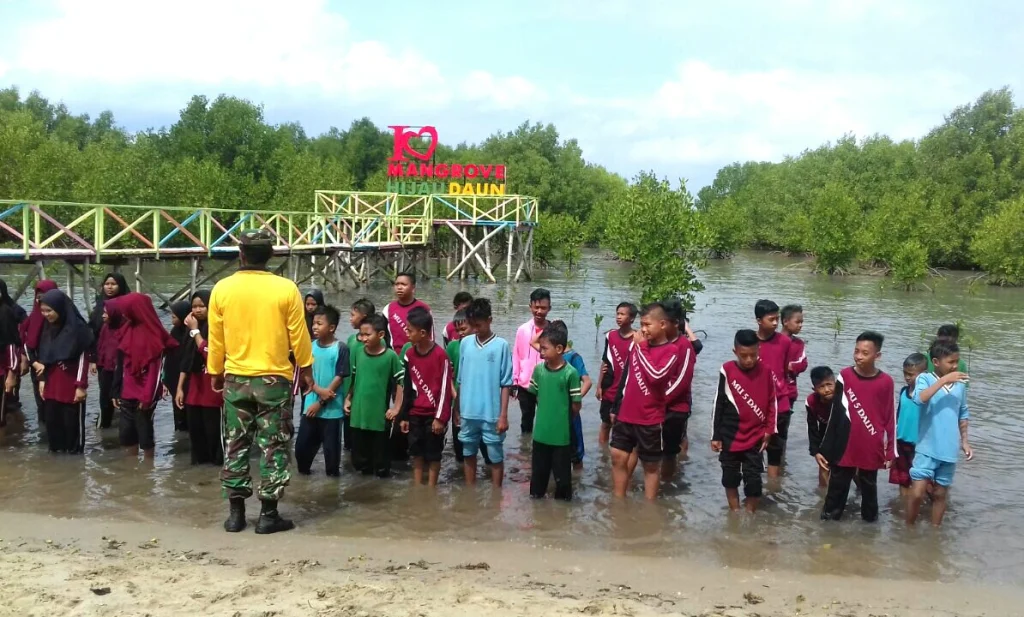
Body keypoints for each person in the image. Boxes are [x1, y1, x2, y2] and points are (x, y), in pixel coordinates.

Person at [207, 228, 314, 534]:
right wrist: (306, 371)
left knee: (236, 444)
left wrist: (215, 371)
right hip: (274, 381)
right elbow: (299, 336)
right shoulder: (286, 288)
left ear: (240, 254)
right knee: (273, 445)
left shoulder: (222, 289)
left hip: (236, 379)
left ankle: (236, 515)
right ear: (270, 256)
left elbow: (217, 339)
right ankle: (268, 515)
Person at [817, 331, 896, 522]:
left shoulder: (886, 382)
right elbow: (835, 415)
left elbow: (890, 417)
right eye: (856, 351)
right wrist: (824, 449)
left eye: (865, 353)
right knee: (837, 490)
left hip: (871, 444)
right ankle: (827, 533)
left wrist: (891, 451)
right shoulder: (844, 376)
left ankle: (869, 534)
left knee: (869, 489)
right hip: (845, 444)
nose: (859, 356)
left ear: (877, 356)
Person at [610, 303, 682, 500]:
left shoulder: (671, 351)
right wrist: (616, 405)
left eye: (647, 325)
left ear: (663, 324)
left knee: (650, 466)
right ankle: (618, 502)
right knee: (617, 457)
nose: (643, 329)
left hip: (650, 418)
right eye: (641, 324)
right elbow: (627, 376)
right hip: (626, 413)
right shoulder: (638, 346)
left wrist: (641, 348)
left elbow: (656, 376)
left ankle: (650, 508)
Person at [907, 340, 972, 526]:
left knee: (940, 494)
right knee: (918, 492)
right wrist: (944, 380)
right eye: (951, 362)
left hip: (949, 449)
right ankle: (909, 528)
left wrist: (965, 441)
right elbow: (919, 399)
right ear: (936, 362)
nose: (955, 366)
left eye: (957, 362)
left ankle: (935, 532)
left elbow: (963, 412)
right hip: (927, 446)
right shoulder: (925, 379)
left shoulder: (960, 386)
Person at [711, 329, 777, 513]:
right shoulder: (727, 369)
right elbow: (719, 403)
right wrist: (715, 435)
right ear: (735, 352)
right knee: (730, 477)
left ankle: (750, 514)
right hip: (730, 435)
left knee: (754, 479)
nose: (749, 360)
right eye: (743, 356)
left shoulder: (766, 371)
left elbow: (773, 402)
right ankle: (734, 512)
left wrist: (769, 430)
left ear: (759, 350)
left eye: (753, 355)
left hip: (755, 436)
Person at [107, 292, 178, 459]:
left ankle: (148, 467)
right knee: (126, 432)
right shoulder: (127, 329)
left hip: (146, 392)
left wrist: (147, 398)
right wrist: (116, 390)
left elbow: (156, 370)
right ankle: (132, 469)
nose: (123, 313)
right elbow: (122, 366)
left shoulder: (154, 335)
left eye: (126, 310)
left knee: (144, 431)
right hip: (127, 391)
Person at [458, 298, 513, 487]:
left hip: (491, 413)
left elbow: (506, 383)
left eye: (478, 325)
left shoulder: (501, 346)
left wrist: (503, 415)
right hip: (467, 411)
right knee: (468, 453)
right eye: (472, 325)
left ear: (489, 320)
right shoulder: (464, 343)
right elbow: (460, 380)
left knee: (495, 455)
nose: (475, 329)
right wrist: (457, 409)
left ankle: (497, 494)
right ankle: (470, 490)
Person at [399, 307, 453, 487]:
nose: (406, 333)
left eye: (409, 330)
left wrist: (440, 419)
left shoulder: (441, 356)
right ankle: (417, 487)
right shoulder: (409, 355)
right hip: (415, 413)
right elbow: (407, 387)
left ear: (422, 333)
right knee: (416, 453)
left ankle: (431, 488)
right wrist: (404, 416)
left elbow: (445, 391)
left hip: (433, 415)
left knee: (433, 454)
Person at [345, 314, 404, 478]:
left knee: (381, 464)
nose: (363, 338)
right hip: (358, 415)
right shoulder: (358, 352)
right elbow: (354, 378)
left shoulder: (390, 356)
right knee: (360, 461)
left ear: (381, 335)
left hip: (379, 417)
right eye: (361, 335)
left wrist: (397, 407)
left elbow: (401, 382)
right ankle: (366, 497)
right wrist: (348, 398)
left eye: (367, 334)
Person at [528, 324, 582, 500]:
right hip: (540, 435)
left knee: (563, 482)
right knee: (537, 480)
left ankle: (562, 516)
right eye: (540, 348)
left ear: (559, 349)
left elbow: (576, 405)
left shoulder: (570, 373)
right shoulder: (538, 370)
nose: (541, 352)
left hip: (561, 438)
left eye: (544, 348)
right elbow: (535, 396)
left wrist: (562, 419)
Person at [34, 289, 92, 453]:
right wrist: (42, 380)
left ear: (60, 309)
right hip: (52, 384)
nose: (46, 315)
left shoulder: (78, 329)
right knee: (53, 427)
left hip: (71, 385)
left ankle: (75, 469)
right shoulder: (47, 329)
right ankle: (56, 471)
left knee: (72, 431)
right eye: (43, 311)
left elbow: (83, 359)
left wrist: (81, 385)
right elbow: (45, 356)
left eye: (49, 311)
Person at [295, 305, 350, 477]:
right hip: (310, 408)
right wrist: (319, 392)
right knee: (301, 451)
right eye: (314, 323)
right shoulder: (309, 347)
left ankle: (332, 494)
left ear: (331, 327)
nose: (315, 327)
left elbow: (340, 375)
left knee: (331, 460)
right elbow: (304, 372)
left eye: (319, 323)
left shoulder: (340, 348)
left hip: (331, 411)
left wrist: (322, 401)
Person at [382, 272, 430, 461]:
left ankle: (416, 445)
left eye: (403, 284)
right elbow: (383, 337)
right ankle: (398, 448)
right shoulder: (388, 309)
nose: (399, 287)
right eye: (396, 284)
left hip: (417, 362)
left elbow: (429, 339)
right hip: (396, 362)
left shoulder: (423, 309)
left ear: (413, 287)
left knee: (414, 404)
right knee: (397, 404)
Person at [175, 290, 223, 466]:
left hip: (213, 389)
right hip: (194, 388)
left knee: (213, 434)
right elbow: (186, 360)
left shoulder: (217, 329)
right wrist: (180, 388)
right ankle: (199, 477)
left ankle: (217, 468)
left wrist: (196, 332)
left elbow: (210, 354)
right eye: (194, 306)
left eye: (202, 306)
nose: (197, 310)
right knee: (196, 434)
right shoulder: (190, 332)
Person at [753, 299, 795, 479]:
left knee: (775, 453)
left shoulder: (784, 342)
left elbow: (784, 369)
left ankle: (773, 488)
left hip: (780, 404)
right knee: (754, 449)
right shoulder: (750, 342)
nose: (776, 323)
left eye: (777, 319)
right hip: (756, 403)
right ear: (759, 320)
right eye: (771, 319)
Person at [87, 272, 129, 430]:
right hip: (103, 357)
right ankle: (105, 426)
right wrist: (92, 358)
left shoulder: (126, 305)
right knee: (104, 392)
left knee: (121, 392)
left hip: (120, 358)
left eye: (113, 284)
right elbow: (93, 332)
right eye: (107, 284)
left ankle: (123, 426)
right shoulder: (100, 305)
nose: (110, 287)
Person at [660, 299, 697, 478]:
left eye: (663, 322)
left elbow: (681, 381)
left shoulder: (685, 347)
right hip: (654, 406)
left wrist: (657, 400)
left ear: (675, 323)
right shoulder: (656, 343)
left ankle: (667, 484)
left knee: (669, 452)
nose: (659, 325)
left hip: (674, 409)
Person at [596, 302, 637, 445]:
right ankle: (603, 457)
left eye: (622, 314)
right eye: (617, 314)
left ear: (631, 318)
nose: (618, 317)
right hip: (609, 388)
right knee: (605, 424)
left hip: (626, 391)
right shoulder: (611, 336)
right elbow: (605, 361)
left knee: (623, 428)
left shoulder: (638, 339)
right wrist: (599, 386)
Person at [20, 280, 59, 424]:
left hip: (56, 366)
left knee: (57, 403)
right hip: (37, 365)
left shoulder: (62, 320)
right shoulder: (34, 318)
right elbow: (27, 344)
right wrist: (34, 363)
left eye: (45, 296)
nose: (40, 299)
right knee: (41, 402)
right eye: (38, 296)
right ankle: (44, 438)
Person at [513, 288, 551, 434]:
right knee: (526, 419)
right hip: (526, 384)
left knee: (546, 419)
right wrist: (514, 382)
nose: (539, 311)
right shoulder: (522, 330)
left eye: (543, 308)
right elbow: (516, 355)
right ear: (530, 307)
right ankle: (525, 448)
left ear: (549, 308)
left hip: (547, 383)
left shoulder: (553, 330)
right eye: (536, 307)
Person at [890, 353, 927, 496]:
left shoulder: (926, 395)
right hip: (901, 442)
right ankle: (904, 509)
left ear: (923, 374)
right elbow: (898, 414)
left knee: (924, 482)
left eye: (911, 374)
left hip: (919, 445)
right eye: (905, 373)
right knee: (902, 479)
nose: (907, 377)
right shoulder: (904, 392)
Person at [343, 298, 375, 452]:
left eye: (352, 315)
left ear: (363, 317)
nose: (350, 318)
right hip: (347, 392)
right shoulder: (351, 340)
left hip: (364, 394)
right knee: (349, 437)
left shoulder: (373, 344)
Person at [0, 279, 27, 425]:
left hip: (4, 367)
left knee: (7, 402)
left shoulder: (6, 312)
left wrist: (11, 373)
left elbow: (12, 344)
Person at [805, 366, 835, 489]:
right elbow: (812, 428)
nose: (827, 390)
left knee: (853, 472)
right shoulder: (811, 402)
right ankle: (822, 499)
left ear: (835, 383)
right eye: (821, 387)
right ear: (815, 389)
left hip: (844, 433)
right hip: (824, 431)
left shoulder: (842, 398)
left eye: (829, 384)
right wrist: (815, 451)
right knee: (824, 466)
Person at [164, 300, 192, 432]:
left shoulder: (191, 335)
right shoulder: (174, 332)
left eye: (175, 315)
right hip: (174, 380)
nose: (172, 317)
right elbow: (169, 359)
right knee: (178, 413)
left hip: (188, 380)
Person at [781, 304, 808, 409]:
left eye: (801, 322)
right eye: (797, 322)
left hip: (789, 391)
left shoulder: (799, 343)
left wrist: (787, 366)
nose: (800, 325)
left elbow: (803, 364)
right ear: (785, 321)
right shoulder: (774, 341)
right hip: (772, 391)